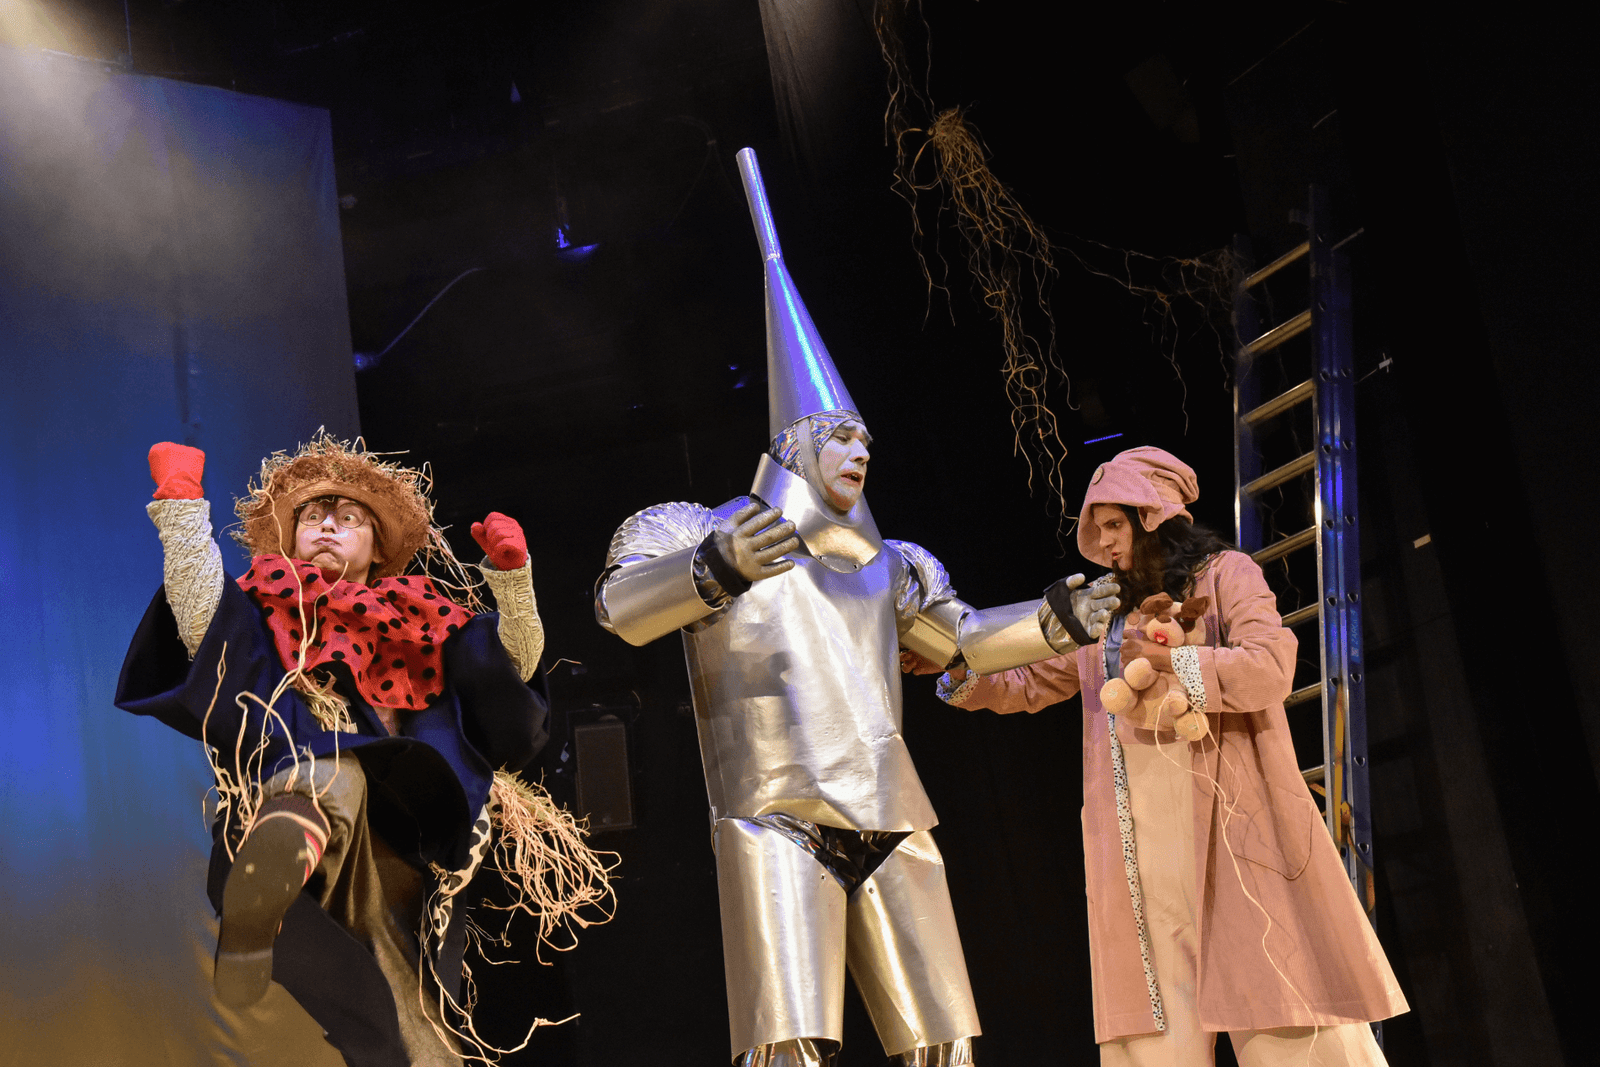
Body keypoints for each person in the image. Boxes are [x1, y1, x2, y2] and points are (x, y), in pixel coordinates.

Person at [594, 148, 1120, 1067]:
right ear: (794, 444)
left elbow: (960, 640)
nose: (860, 451)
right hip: (776, 815)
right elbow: (619, 607)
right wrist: (715, 566)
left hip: (890, 813)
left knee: (946, 1044)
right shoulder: (696, 527)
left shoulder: (891, 565)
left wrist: (1052, 622)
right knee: (789, 1045)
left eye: (865, 439)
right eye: (839, 434)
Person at [116, 432, 603, 1067]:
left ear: (378, 548)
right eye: (312, 516)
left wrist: (513, 581)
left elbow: (511, 666)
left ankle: (283, 891)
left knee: (415, 1024)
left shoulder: (423, 620)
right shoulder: (264, 606)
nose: (327, 525)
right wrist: (180, 509)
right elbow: (202, 615)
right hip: (299, 802)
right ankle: (274, 873)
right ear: (289, 538)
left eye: (349, 518)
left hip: (402, 835)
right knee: (336, 778)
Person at [936, 446, 1408, 1067]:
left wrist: (1170, 660)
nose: (1105, 542)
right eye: (1098, 528)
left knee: (1286, 1011)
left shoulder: (1227, 574)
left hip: (1234, 835)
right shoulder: (1103, 617)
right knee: (1153, 1038)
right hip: (1137, 853)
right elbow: (1028, 682)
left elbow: (1270, 667)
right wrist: (956, 669)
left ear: (1152, 514)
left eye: (1115, 524)